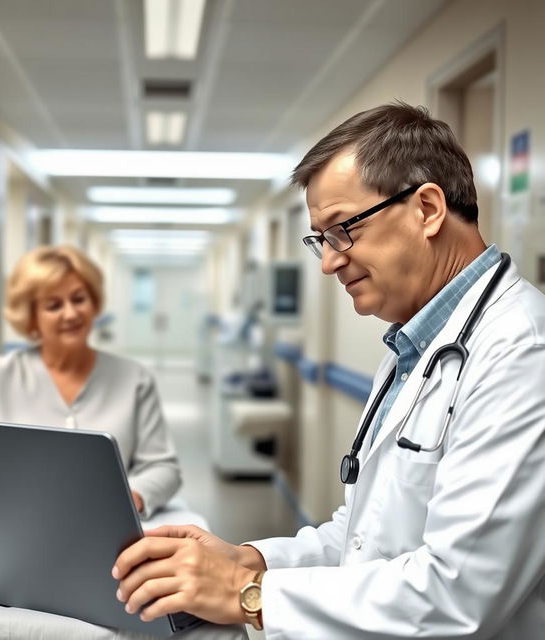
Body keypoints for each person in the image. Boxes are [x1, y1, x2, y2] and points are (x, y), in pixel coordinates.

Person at [111, 102, 545, 638]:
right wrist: (248, 561)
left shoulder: (522, 352)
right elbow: (364, 537)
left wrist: (244, 596)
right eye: (320, 239)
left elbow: (458, 593)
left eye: (343, 230)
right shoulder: (419, 344)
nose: (328, 261)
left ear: (427, 209)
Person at [0, 245, 181, 518]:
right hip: (14, 524)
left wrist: (131, 499)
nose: (70, 314)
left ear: (94, 302)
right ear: (32, 317)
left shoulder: (135, 379)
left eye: (79, 299)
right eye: (54, 305)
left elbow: (163, 467)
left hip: (107, 526)